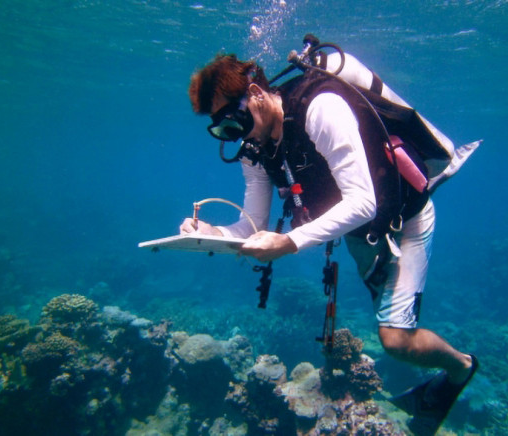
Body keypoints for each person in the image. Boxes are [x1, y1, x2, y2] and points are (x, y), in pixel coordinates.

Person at [180, 52, 478, 434]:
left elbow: (364, 202)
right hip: (360, 234)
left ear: (255, 94)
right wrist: (208, 232)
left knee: (394, 339)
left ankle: (461, 368)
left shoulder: (320, 108)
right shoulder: (254, 149)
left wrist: (289, 242)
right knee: (390, 325)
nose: (238, 137)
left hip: (405, 218)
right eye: (222, 132)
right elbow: (249, 226)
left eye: (234, 123)